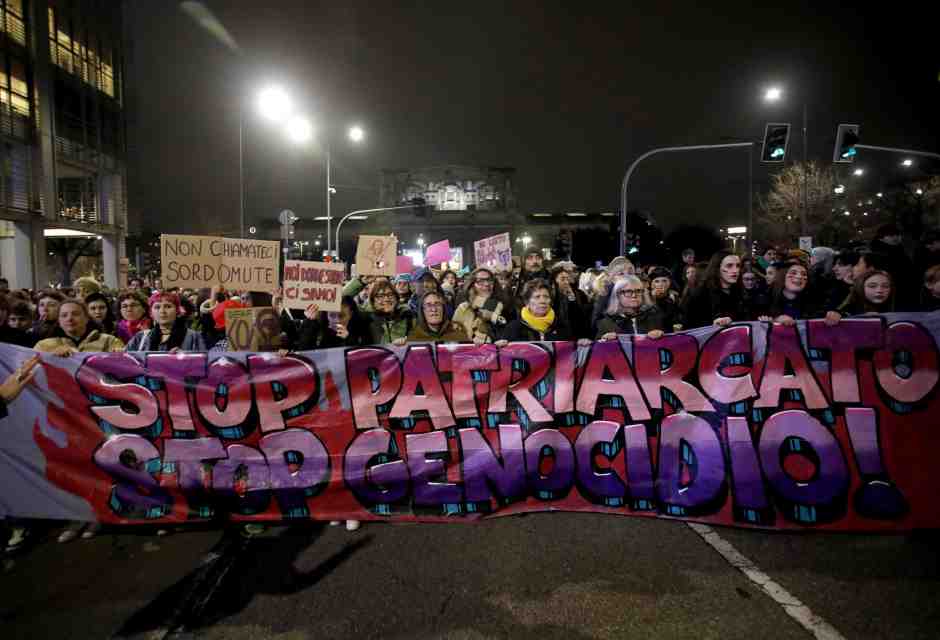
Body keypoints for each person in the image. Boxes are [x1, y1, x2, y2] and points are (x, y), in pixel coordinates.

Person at [34, 299, 124, 543]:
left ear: (87, 317)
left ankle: (98, 516)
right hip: (65, 415)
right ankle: (75, 517)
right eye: (64, 315)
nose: (69, 319)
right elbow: (29, 369)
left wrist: (114, 357)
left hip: (99, 414)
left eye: (75, 314)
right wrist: (49, 356)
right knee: (72, 467)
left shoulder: (107, 341)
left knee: (99, 464)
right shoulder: (45, 344)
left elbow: (125, 365)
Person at [680, 251, 745, 329]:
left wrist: (732, 319)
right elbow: (686, 324)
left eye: (738, 266)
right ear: (717, 268)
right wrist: (712, 324)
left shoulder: (740, 292)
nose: (735, 270)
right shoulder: (699, 293)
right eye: (729, 266)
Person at [126, 292, 207, 352]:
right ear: (151, 313)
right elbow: (128, 362)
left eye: (168, 306)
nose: (162, 311)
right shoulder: (140, 338)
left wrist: (185, 358)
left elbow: (203, 365)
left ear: (177, 311)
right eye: (157, 307)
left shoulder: (194, 337)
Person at [596, 276, 666, 340]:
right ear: (617, 296)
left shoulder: (654, 316)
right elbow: (596, 350)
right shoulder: (606, 324)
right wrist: (603, 340)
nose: (634, 295)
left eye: (638, 291)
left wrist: (662, 337)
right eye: (628, 291)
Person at [453, 267, 511, 343]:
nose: (486, 284)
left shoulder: (504, 305)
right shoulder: (463, 308)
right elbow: (454, 336)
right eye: (480, 281)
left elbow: (509, 331)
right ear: (472, 284)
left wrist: (493, 317)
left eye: (489, 280)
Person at [501, 279, 571, 341]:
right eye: (537, 297)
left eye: (546, 297)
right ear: (527, 302)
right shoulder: (513, 328)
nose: (543, 301)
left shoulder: (561, 326)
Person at [758, 260, 818, 325]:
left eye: (804, 274)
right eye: (793, 273)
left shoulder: (814, 301)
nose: (799, 277)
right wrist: (774, 320)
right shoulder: (764, 300)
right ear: (782, 276)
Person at [829, 270, 895, 322]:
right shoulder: (845, 313)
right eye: (872, 286)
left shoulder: (899, 311)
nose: (880, 290)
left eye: (886, 286)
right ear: (860, 288)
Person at [550, 265, 589, 339]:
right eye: (562, 279)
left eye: (568, 278)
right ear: (555, 280)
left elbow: (583, 315)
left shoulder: (579, 294)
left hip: (578, 335)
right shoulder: (551, 296)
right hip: (559, 335)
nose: (566, 282)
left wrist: (571, 297)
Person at [647, 266, 681, 331]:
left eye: (664, 281)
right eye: (657, 281)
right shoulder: (646, 297)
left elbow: (678, 320)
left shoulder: (674, 297)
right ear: (651, 284)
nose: (661, 284)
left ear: (670, 282)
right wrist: (652, 299)